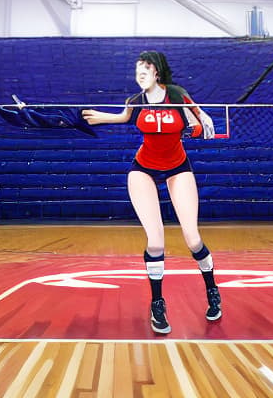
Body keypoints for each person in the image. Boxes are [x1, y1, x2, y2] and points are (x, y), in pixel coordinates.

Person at [82, 50, 221, 334]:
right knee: (155, 242)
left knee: (193, 239)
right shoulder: (135, 101)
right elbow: (124, 118)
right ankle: (158, 303)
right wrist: (100, 118)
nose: (140, 74)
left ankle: (212, 289)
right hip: (143, 168)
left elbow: (199, 124)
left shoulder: (177, 95)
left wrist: (192, 131)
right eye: (137, 71)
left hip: (178, 166)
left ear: (157, 72)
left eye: (145, 69)